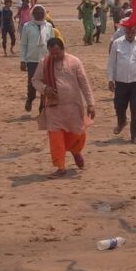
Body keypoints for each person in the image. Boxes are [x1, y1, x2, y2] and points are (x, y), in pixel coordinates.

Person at [32, 38, 95, 178]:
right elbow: (35, 80)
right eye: (51, 54)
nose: (54, 56)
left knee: (77, 135)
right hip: (54, 108)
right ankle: (60, 167)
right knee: (55, 137)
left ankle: (75, 151)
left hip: (73, 107)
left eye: (57, 53)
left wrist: (91, 103)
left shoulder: (74, 62)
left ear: (63, 49)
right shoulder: (45, 62)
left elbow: (84, 83)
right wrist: (44, 88)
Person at [107, 24, 136, 144]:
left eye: (133, 31)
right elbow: (111, 62)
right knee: (119, 105)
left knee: (135, 107)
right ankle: (122, 121)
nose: (131, 33)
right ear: (125, 30)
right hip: (120, 80)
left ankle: (134, 134)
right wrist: (110, 79)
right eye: (128, 31)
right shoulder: (117, 43)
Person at [19, 5, 55, 112]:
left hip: (46, 60)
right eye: (37, 13)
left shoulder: (48, 26)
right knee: (32, 83)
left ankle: (42, 106)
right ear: (32, 14)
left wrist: (53, 58)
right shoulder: (27, 26)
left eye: (41, 13)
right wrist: (22, 60)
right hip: (32, 60)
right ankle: (30, 99)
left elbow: (52, 43)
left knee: (45, 83)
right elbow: (23, 44)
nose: (39, 14)